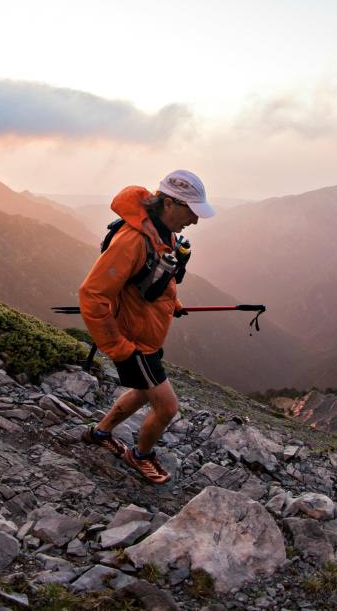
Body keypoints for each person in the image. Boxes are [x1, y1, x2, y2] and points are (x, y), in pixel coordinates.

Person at [78, 170, 215, 484]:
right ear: (169, 203)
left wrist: (173, 304)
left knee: (142, 391)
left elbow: (151, 281)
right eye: (191, 212)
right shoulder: (132, 240)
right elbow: (92, 294)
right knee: (166, 407)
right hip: (134, 343)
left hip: (146, 337)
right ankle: (140, 456)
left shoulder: (160, 233)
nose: (195, 221)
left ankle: (100, 434)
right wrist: (119, 348)